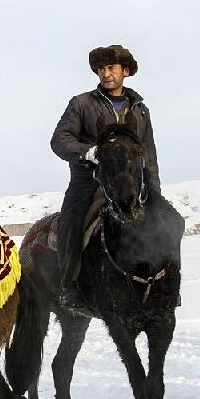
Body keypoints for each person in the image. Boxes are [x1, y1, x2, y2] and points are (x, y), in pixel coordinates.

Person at [51, 44, 161, 316]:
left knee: (168, 222)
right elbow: (59, 139)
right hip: (89, 180)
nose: (105, 73)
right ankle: (69, 288)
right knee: (71, 221)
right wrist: (86, 152)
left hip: (132, 182)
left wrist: (155, 193)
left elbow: (149, 154)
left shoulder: (141, 110)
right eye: (100, 69)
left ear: (125, 71)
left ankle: (164, 287)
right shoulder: (82, 103)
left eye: (111, 68)